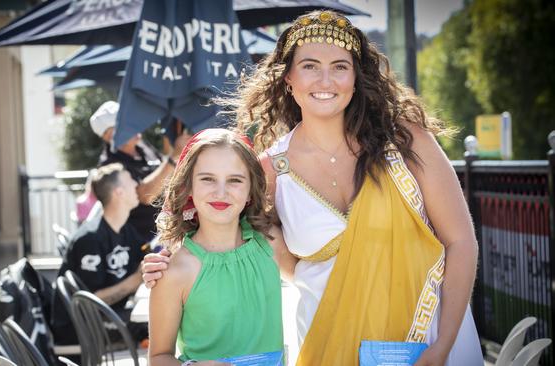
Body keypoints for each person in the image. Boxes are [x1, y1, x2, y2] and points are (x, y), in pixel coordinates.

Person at [143, 10, 483, 366]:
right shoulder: (270, 170)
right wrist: (166, 259)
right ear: (288, 77)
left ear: (356, 77)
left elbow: (460, 241)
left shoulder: (404, 140)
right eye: (309, 66)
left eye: (339, 66)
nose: (326, 80)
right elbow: (226, 233)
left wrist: (442, 345)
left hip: (429, 339)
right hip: (329, 341)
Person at [149, 129, 295, 366]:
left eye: (235, 180)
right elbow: (158, 358)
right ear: (189, 187)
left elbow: (315, 277)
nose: (221, 192)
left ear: (250, 190)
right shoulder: (174, 271)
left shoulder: (271, 242)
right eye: (207, 179)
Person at [51, 163, 147, 345]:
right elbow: (91, 301)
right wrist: (136, 280)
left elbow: (146, 252)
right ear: (119, 192)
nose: (137, 185)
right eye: (131, 180)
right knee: (156, 330)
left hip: (107, 317)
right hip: (83, 329)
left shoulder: (125, 229)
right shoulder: (90, 239)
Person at [89, 100, 190, 241]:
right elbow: (144, 196)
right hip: (140, 243)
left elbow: (165, 173)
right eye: (126, 124)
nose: (134, 125)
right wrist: (173, 158)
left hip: (164, 232)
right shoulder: (109, 165)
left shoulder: (142, 147)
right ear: (109, 135)